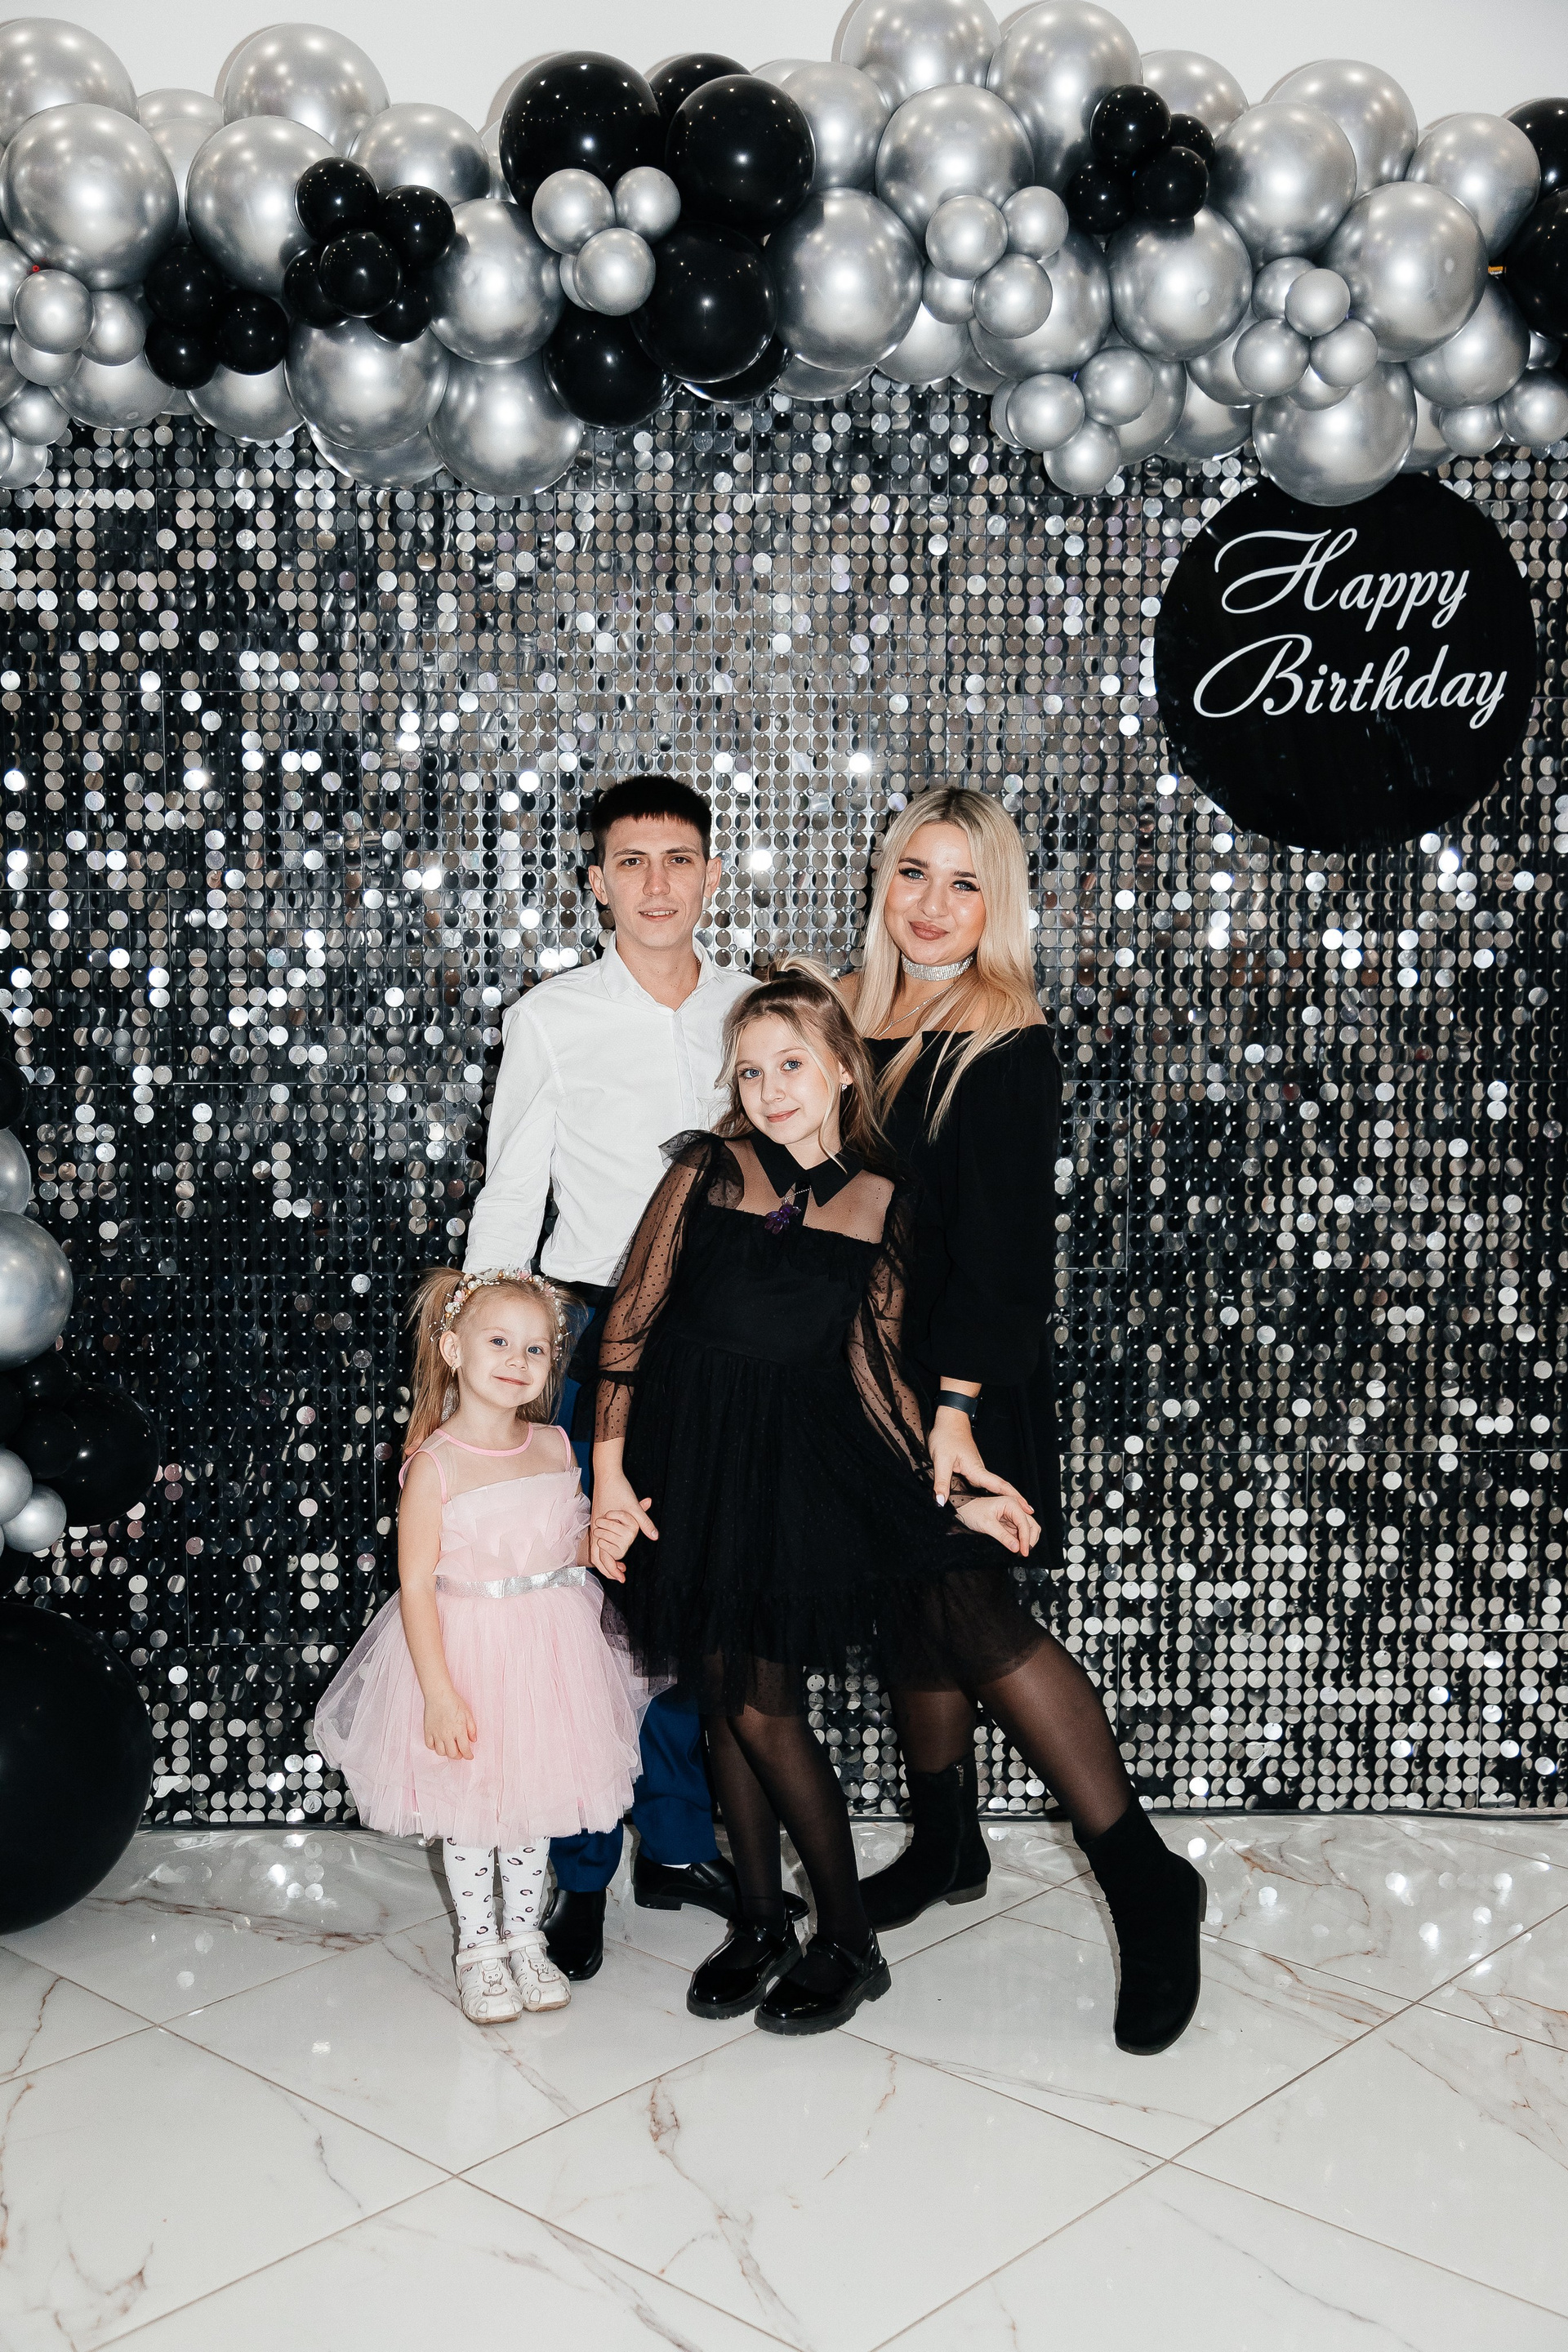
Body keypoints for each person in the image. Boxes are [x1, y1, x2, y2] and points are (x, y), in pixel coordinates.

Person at [589, 963, 1041, 2034]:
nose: (769, 1089)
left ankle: (847, 1937)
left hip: (788, 1478)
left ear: (843, 1068)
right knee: (720, 1695)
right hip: (684, 1464)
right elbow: (628, 1326)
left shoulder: (884, 1200)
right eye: (749, 1072)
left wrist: (954, 1496)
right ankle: (759, 1919)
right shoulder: (710, 1168)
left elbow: (881, 1378)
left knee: (762, 1704)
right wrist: (608, 1479)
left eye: (791, 1064)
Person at [840, 786, 1203, 2056]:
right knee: (912, 1609)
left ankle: (1147, 1882)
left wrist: (955, 1414)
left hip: (960, 1387)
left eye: (964, 883)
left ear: (997, 903)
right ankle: (947, 1842)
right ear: (884, 882)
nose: (933, 905)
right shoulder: (853, 1015)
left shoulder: (1006, 1041)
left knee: (974, 1617)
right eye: (913, 873)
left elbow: (1005, 1261)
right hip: (858, 1380)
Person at [462, 775, 764, 1984]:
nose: (655, 883)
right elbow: (511, 1193)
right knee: (593, 1602)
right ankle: (582, 1871)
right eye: (630, 861)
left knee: (697, 1601)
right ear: (595, 881)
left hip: (726, 1344)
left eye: (678, 859)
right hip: (595, 1337)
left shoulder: (751, 1010)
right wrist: (487, 1373)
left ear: (711, 876)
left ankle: (677, 1843)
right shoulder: (553, 1019)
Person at [314, 1268, 648, 2025]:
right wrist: (437, 1693)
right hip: (467, 1654)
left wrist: (603, 1539)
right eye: (498, 1341)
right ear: (452, 1349)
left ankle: (525, 1936)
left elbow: (567, 1547)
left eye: (535, 1348)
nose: (517, 1360)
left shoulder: (556, 1445)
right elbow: (416, 1586)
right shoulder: (434, 1464)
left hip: (550, 1655)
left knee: (529, 1808)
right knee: (470, 1813)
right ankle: (479, 1948)